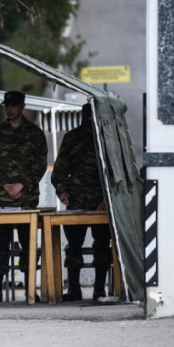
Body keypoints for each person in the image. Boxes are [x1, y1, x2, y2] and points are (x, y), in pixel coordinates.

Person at [0, 91, 48, 302]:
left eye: (13, 105)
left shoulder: (35, 133)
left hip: (26, 198)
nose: (9, 109)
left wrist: (22, 185)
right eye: (7, 105)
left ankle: (30, 288)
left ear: (22, 106)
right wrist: (3, 185)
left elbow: (40, 165)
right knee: (0, 244)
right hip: (2, 198)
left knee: (28, 244)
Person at [50, 103, 111, 301]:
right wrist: (62, 191)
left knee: (102, 246)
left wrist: (107, 198)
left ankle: (99, 289)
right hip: (76, 201)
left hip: (101, 203)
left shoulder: (107, 139)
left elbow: (114, 173)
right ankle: (74, 289)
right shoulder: (72, 138)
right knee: (73, 246)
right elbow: (59, 170)